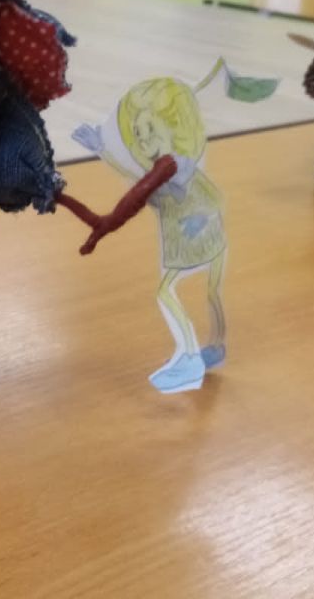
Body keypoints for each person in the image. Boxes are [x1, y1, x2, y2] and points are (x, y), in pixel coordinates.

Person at [74, 76, 226, 393]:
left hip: (192, 238)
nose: (144, 142)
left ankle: (189, 357)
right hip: (204, 238)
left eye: (151, 131)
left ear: (175, 127)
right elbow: (140, 184)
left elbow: (211, 198)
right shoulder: (167, 168)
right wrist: (102, 150)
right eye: (139, 135)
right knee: (211, 289)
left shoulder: (177, 166)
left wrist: (200, 219)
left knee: (166, 292)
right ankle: (215, 346)